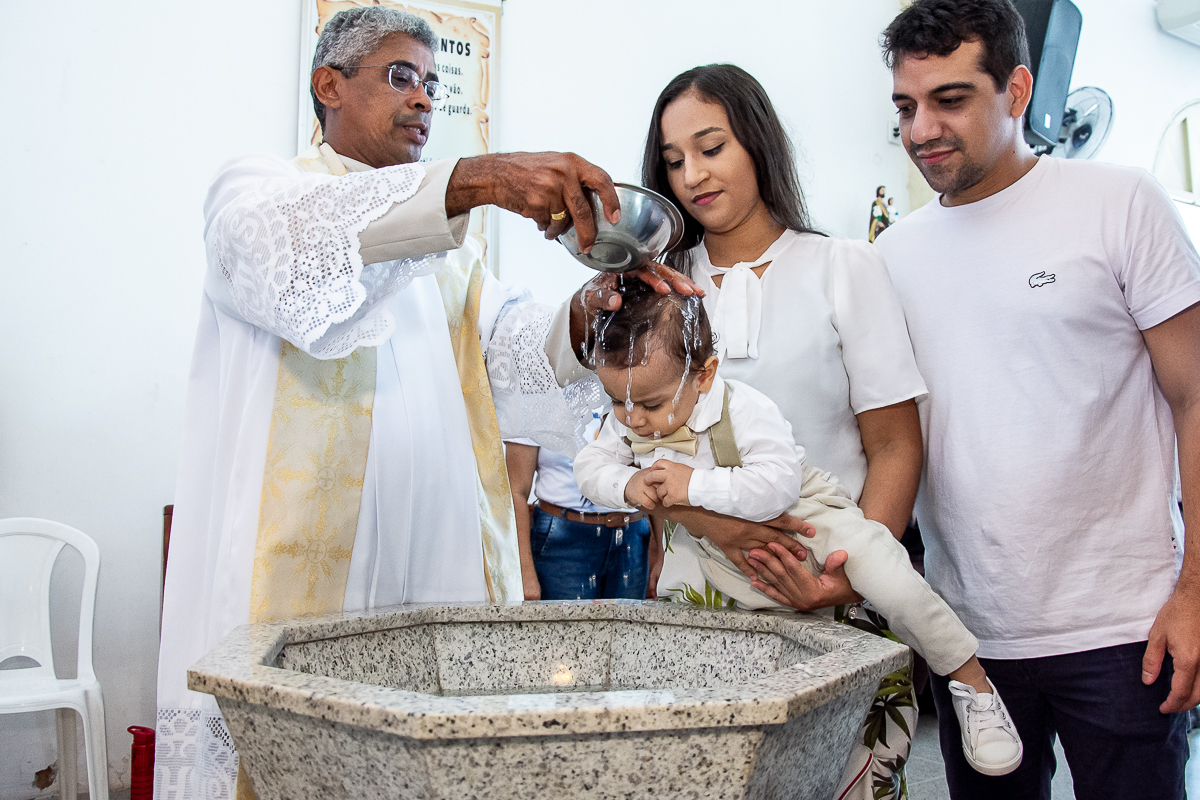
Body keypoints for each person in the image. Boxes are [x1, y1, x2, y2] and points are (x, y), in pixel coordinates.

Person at [154, 8, 697, 800]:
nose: (422, 100)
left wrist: (591, 312)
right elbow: (290, 258)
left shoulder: (452, 248)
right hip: (305, 580)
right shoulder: (259, 191)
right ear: (327, 86)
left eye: (433, 85)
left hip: (436, 566)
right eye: (400, 76)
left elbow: (512, 358)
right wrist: (478, 178)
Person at [743, 1, 1200, 798]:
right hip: (965, 637)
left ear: (1018, 90)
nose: (921, 129)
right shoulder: (892, 257)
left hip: (1125, 630)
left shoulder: (1121, 204)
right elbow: (884, 439)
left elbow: (1196, 398)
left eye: (950, 100)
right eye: (905, 106)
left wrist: (1197, 589)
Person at [574, 282, 1023, 776]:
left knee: (888, 573)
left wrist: (691, 487)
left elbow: (776, 487)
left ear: (705, 375)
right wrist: (627, 484)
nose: (633, 419)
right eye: (619, 402)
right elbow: (590, 465)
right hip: (717, 552)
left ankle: (969, 679)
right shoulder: (631, 411)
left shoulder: (744, 408)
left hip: (809, 517)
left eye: (651, 406)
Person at [636, 64, 929, 799]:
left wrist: (846, 581)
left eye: (711, 147)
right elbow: (633, 444)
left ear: (757, 143)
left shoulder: (842, 267)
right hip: (696, 596)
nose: (694, 175)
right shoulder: (659, 289)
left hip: (830, 584)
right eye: (673, 161)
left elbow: (895, 444)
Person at [505, 417, 655, 601]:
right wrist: (524, 570)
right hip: (564, 539)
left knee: (632, 628)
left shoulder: (634, 394)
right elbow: (515, 490)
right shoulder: (535, 394)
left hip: (633, 537)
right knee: (565, 628)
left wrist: (658, 548)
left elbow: (655, 468)